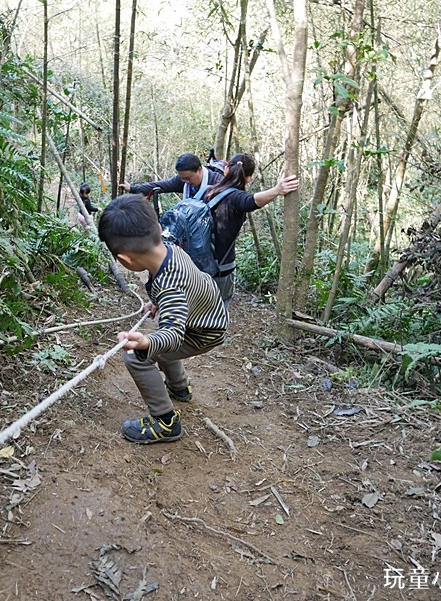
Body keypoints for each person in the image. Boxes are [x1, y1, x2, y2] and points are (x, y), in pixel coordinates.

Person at [97, 194, 228, 444]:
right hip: (206, 314)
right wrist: (158, 303)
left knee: (137, 356)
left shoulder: (170, 288)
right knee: (160, 338)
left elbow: (174, 335)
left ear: (124, 259)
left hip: (202, 331)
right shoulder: (171, 250)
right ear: (157, 228)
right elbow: (182, 286)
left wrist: (145, 343)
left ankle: (165, 421)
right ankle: (179, 387)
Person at [202, 153, 299, 306]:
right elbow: (251, 201)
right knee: (215, 316)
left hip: (196, 265)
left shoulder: (207, 192)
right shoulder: (237, 198)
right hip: (220, 269)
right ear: (249, 178)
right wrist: (277, 190)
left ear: (226, 169)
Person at [118, 153, 222, 200]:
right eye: (183, 178)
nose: (186, 181)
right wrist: (132, 188)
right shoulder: (182, 181)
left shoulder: (217, 182)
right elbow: (160, 186)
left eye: (188, 178)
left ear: (199, 170)